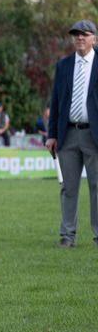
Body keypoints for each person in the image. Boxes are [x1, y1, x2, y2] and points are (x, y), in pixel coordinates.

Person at [45, 19, 98, 248]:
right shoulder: (63, 65)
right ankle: (68, 236)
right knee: (68, 186)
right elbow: (55, 101)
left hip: (94, 135)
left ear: (94, 38)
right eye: (76, 34)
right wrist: (52, 134)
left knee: (97, 187)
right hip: (67, 135)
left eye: (85, 34)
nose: (80, 38)